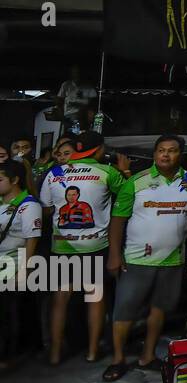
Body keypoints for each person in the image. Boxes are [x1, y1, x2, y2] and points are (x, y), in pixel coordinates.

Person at [104, 134, 187, 382]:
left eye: (171, 150)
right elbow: (117, 221)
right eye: (161, 150)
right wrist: (114, 255)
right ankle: (117, 359)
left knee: (160, 310)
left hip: (173, 261)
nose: (165, 155)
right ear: (155, 153)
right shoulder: (137, 182)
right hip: (137, 259)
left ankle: (147, 356)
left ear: (180, 154)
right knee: (124, 312)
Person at [39, 132, 126, 365]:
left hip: (62, 246)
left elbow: (46, 209)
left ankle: (56, 353)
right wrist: (124, 172)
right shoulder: (107, 172)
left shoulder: (54, 174)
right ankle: (92, 351)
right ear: (98, 150)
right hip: (95, 245)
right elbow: (128, 198)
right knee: (95, 297)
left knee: (60, 298)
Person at [0, 161, 42, 370]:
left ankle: (6, 357)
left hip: (11, 266)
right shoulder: (1, 202)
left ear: (15, 180)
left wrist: (24, 271)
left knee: (6, 316)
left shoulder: (29, 205)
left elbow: (31, 240)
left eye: (0, 179)